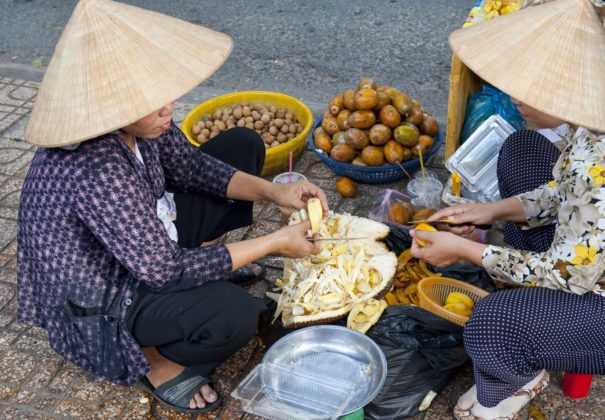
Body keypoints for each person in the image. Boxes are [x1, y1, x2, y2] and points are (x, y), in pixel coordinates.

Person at [17, 0, 326, 415]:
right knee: (234, 315)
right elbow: (164, 271)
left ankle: (208, 268)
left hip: (144, 246)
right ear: (114, 107)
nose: (170, 109)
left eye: (167, 96)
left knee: (242, 145)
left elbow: (193, 167)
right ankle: (153, 359)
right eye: (154, 103)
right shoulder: (97, 168)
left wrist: (274, 193)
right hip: (103, 294)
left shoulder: (140, 124)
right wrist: (274, 243)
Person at [410, 0, 605, 419]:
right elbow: (566, 192)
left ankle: (518, 377)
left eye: (529, 88)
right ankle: (528, 310)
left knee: (489, 322)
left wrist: (466, 252)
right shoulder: (591, 123)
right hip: (585, 252)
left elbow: (567, 275)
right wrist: (489, 212)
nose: (515, 98)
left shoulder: (598, 164)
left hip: (592, 291)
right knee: (521, 148)